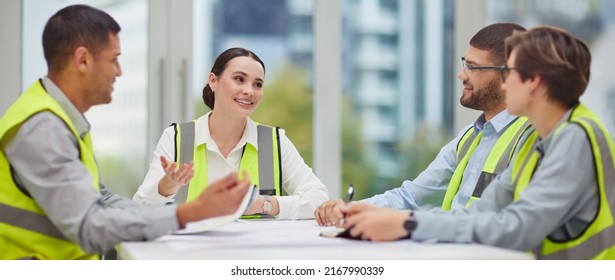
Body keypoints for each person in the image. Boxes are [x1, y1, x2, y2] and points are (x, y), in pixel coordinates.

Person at [0, 5, 252, 260]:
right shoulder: (43, 128)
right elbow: (90, 226)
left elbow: (103, 199)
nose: (119, 71)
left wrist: (182, 213)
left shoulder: (60, 120)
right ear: (83, 59)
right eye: (114, 59)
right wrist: (188, 214)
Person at [341, 26, 615, 260]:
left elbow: (517, 228)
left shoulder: (576, 138)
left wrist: (408, 224)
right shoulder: (541, 140)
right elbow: (478, 214)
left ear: (533, 81)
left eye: (511, 74)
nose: (505, 85)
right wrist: (402, 221)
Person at [315, 23, 529, 226]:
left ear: (506, 76)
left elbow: (497, 222)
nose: (461, 74)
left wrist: (409, 226)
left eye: (473, 67)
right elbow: (410, 197)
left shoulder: (530, 138)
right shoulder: (470, 138)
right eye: (465, 64)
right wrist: (350, 210)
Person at [133, 47, 329, 219]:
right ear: (213, 81)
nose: (249, 91)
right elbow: (140, 209)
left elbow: (318, 198)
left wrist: (264, 204)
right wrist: (166, 187)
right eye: (239, 79)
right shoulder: (176, 138)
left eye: (257, 84)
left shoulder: (274, 141)